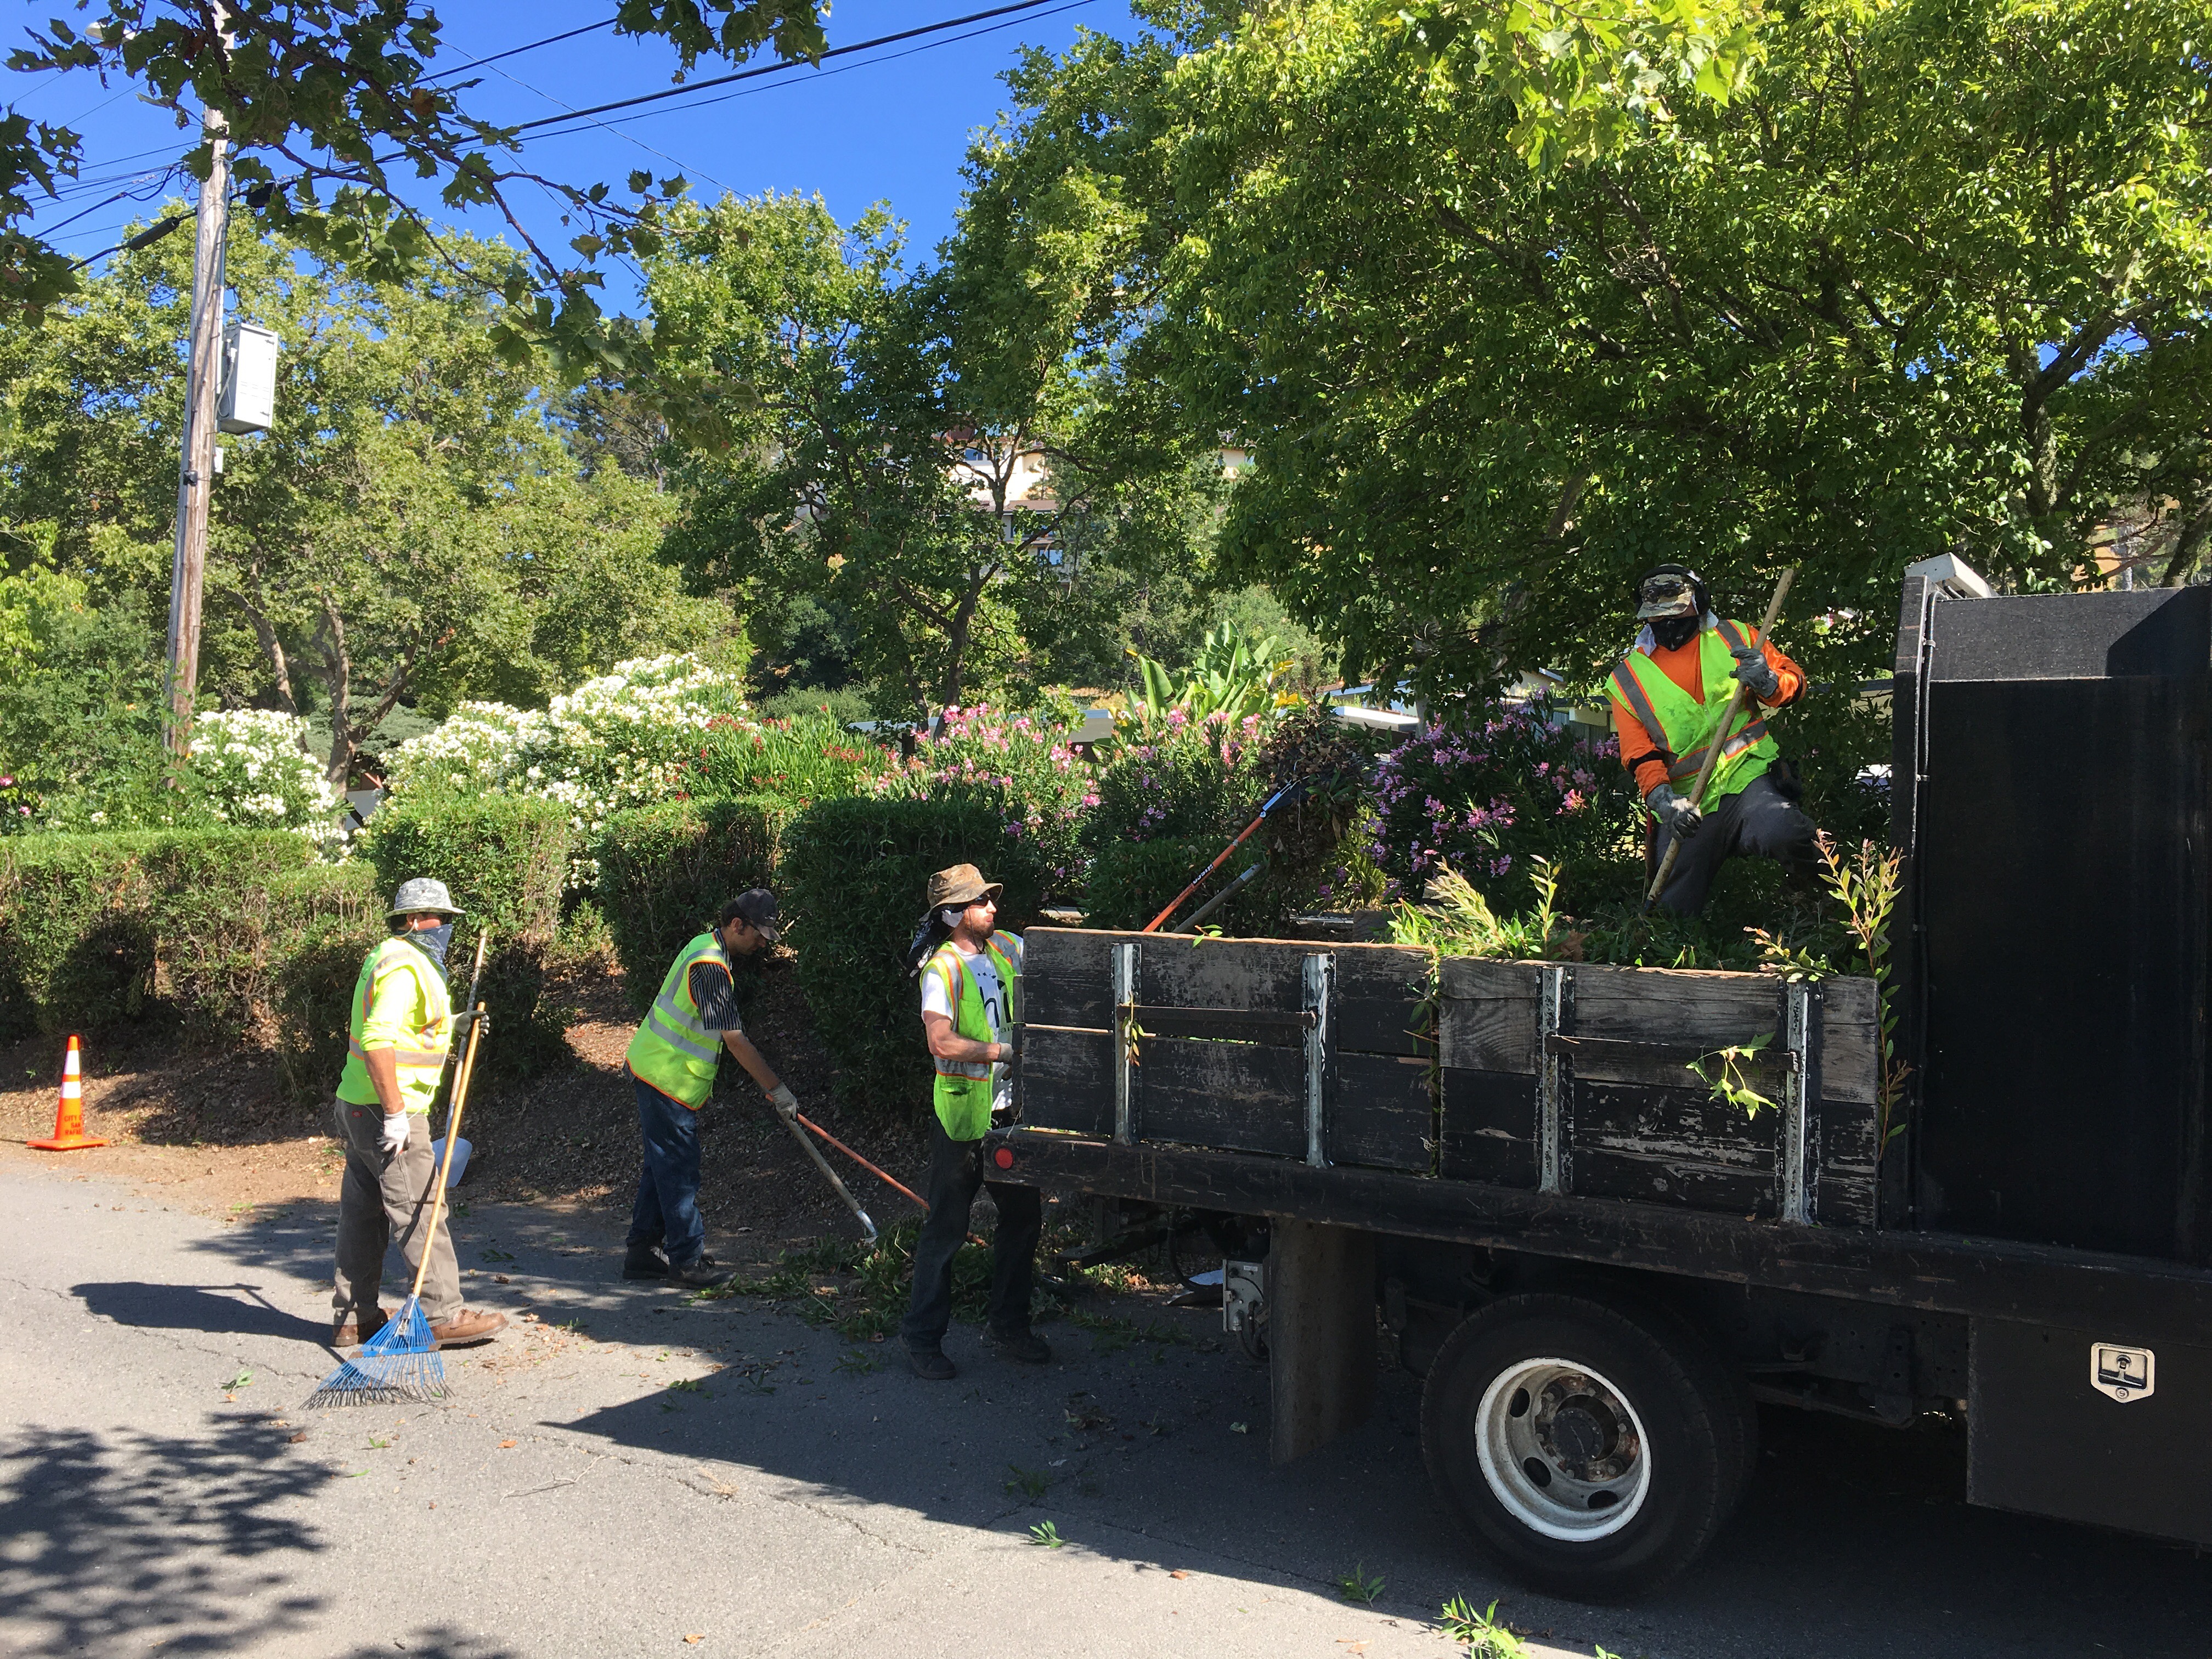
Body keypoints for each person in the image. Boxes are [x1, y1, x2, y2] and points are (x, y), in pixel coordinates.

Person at [330, 878, 505, 1350]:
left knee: (363, 1215)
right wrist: (395, 1115)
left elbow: (413, 1027)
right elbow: (379, 1038)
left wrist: (454, 1025)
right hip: (388, 1109)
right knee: (422, 1208)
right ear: (413, 920)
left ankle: (354, 1317)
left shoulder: (390, 956)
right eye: (439, 918)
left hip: (357, 1102)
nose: (447, 927)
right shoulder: (407, 964)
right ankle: (441, 1313)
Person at [900, 863, 1047, 1380]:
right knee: (946, 1230)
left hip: (1011, 1113)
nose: (993, 908)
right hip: (962, 1119)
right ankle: (922, 1342)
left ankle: (1010, 1327)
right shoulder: (942, 969)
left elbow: (1053, 958)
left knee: (1024, 1221)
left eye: (989, 899)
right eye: (982, 901)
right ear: (954, 914)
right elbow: (940, 1042)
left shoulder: (1005, 948)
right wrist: (1004, 1050)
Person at [1607, 564, 1819, 916]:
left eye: (1676, 612)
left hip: (1750, 778)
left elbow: (1794, 681)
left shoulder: (1736, 636)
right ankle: (1670, 958)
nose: (1667, 623)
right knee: (1671, 910)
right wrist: (1664, 803)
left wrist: (1768, 681)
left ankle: (1836, 902)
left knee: (1786, 832)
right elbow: (1639, 755)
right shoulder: (1628, 678)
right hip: (1690, 803)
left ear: (1701, 603)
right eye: (1657, 617)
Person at [622, 889, 797, 1289]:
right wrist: (777, 1089)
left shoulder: (704, 948)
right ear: (738, 924)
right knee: (679, 1170)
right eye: (759, 934)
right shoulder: (710, 966)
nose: (762, 943)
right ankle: (686, 1260)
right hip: (665, 1078)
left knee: (661, 1166)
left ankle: (642, 1253)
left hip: (659, 1073)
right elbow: (735, 1040)